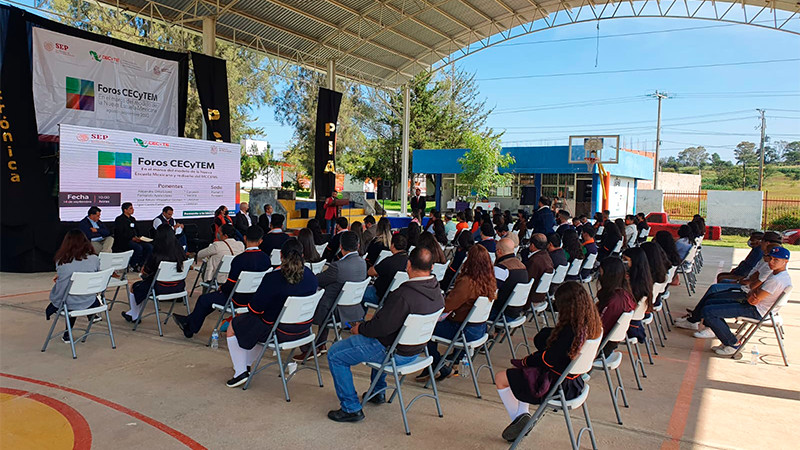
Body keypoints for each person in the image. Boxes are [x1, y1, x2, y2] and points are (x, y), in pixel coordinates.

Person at [326, 247, 445, 423]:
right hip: (415, 352)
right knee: (377, 340)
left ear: (409, 265)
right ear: (432, 267)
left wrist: (360, 328)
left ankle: (351, 408)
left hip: (393, 352)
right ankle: (378, 392)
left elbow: (380, 328)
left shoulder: (403, 295)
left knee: (335, 354)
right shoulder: (438, 293)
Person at [495, 281, 603, 442]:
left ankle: (520, 419)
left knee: (501, 378)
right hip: (574, 382)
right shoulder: (592, 326)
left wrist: (526, 361)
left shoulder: (569, 331)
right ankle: (522, 418)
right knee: (521, 372)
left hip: (556, 386)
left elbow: (548, 359)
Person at [223, 239, 318, 387]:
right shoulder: (312, 278)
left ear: (281, 256)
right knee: (256, 326)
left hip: (277, 332)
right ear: (303, 255)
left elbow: (255, 309)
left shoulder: (273, 278)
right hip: (303, 330)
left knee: (234, 325)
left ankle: (240, 372)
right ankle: (245, 364)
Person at [173, 226, 269, 338]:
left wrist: (221, 288)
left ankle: (190, 328)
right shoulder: (266, 259)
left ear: (245, 238)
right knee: (209, 300)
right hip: (255, 299)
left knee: (204, 299)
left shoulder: (239, 260)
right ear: (261, 241)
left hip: (236, 299)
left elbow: (230, 285)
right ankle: (188, 322)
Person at [695, 247, 792, 355]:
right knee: (711, 302)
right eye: (771, 258)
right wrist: (754, 291)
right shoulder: (776, 274)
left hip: (756, 310)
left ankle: (732, 343)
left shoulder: (776, 280)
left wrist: (754, 292)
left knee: (709, 311)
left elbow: (753, 299)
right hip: (753, 304)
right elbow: (754, 292)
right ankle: (725, 335)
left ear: (785, 261)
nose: (771, 262)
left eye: (776, 260)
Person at [419, 245, 496, 381]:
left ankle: (439, 366)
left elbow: (447, 306)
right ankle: (437, 366)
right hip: (479, 329)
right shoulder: (490, 281)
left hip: (462, 331)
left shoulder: (468, 282)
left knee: (425, 329)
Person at [676, 242, 781, 331]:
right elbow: (752, 276)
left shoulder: (774, 276)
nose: (770, 260)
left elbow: (754, 290)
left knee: (713, 299)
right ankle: (696, 318)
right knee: (714, 295)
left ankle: (710, 328)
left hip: (749, 299)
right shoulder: (767, 264)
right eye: (769, 257)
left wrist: (747, 287)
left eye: (772, 258)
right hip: (746, 290)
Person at [295, 231, 367, 360]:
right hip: (353, 308)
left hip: (333, 311)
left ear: (340, 246)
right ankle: (321, 345)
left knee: (300, 308)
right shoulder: (363, 263)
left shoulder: (338, 267)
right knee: (325, 299)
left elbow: (317, 281)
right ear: (358, 245)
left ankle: (308, 349)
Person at [121, 225, 186, 323]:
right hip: (179, 286)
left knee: (135, 287)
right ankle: (131, 313)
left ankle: (135, 316)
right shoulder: (180, 250)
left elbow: (146, 271)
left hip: (160, 287)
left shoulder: (157, 253)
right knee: (144, 286)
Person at [46, 230, 101, 343]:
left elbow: (61, 290)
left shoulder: (61, 261)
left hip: (70, 302)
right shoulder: (94, 259)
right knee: (77, 293)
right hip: (89, 299)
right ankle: (92, 315)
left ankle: (68, 333)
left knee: (68, 297)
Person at [595, 256, 637, 357]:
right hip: (607, 345)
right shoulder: (625, 294)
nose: (599, 276)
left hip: (598, 347)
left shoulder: (614, 301)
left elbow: (598, 328)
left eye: (601, 272)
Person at [491, 238, 530, 321]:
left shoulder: (502, 268)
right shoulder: (522, 266)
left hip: (500, 313)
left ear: (499, 251)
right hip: (516, 311)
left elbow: (490, 291)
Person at [364, 234, 409, 306]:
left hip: (379, 294)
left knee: (359, 294)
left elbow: (370, 272)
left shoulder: (389, 261)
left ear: (393, 245)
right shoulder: (409, 261)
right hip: (397, 296)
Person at [621, 247, 654, 343]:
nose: (624, 263)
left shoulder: (635, 285)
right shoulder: (645, 278)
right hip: (636, 322)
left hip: (628, 326)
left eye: (626, 260)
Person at [112, 202, 152, 270]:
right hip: (125, 240)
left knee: (149, 247)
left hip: (135, 239)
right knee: (138, 248)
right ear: (125, 210)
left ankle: (141, 264)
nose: (133, 210)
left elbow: (136, 230)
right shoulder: (119, 219)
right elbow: (120, 233)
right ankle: (132, 264)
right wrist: (131, 238)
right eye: (130, 208)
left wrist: (139, 237)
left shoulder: (132, 219)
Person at [525, 233, 554, 307]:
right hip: (541, 296)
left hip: (529, 298)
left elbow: (526, 280)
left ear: (532, 245)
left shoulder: (534, 260)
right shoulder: (548, 257)